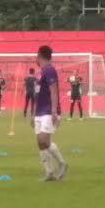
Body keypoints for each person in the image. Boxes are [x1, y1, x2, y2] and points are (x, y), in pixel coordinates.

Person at [33, 46, 67, 181]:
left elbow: (54, 90)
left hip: (48, 111)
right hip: (39, 112)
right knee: (40, 143)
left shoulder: (50, 70)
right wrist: (33, 114)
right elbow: (37, 95)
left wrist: (54, 111)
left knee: (43, 139)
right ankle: (49, 173)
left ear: (39, 55)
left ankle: (62, 163)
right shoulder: (41, 73)